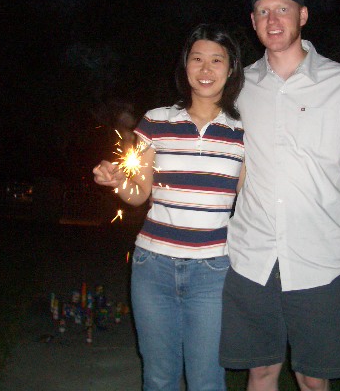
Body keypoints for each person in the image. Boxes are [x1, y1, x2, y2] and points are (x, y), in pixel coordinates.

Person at [219, 0, 340, 391]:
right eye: (263, 11)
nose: (273, 20)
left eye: (283, 9)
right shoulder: (239, 86)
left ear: (303, 16)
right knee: (260, 372)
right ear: (253, 21)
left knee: (312, 378)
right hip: (253, 254)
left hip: (319, 255)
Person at [93, 23, 244, 391]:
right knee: (159, 377)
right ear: (185, 65)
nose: (205, 69)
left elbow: (249, 199)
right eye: (197, 59)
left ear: (231, 69)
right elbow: (138, 193)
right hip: (153, 266)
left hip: (213, 270)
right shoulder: (156, 121)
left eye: (216, 60)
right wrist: (116, 182)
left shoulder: (244, 131)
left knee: (207, 380)